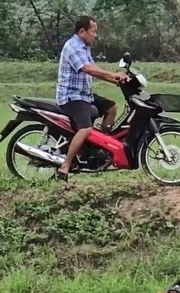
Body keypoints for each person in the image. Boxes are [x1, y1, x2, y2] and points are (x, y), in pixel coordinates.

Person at [54, 16, 128, 182]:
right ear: (82, 31)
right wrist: (112, 74)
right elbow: (87, 69)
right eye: (93, 31)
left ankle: (99, 148)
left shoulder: (84, 47)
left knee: (112, 107)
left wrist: (117, 80)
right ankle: (65, 165)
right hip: (71, 96)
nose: (95, 35)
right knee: (85, 128)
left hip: (84, 94)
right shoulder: (72, 47)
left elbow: (96, 69)